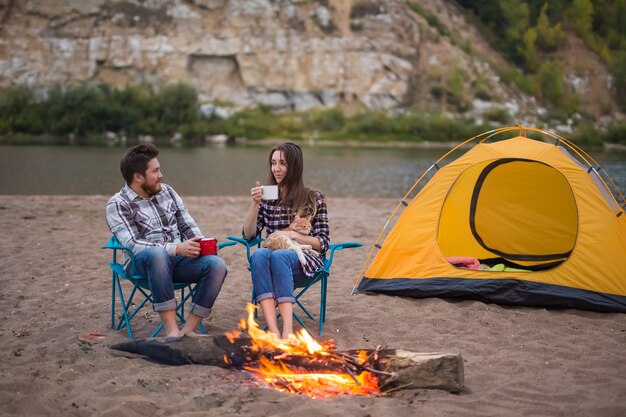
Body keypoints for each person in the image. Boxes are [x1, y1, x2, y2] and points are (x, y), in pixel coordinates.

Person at [106, 144, 227, 338]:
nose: (161, 175)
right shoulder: (117, 204)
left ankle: (187, 331)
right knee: (157, 254)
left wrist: (202, 244)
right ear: (138, 177)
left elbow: (187, 225)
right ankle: (172, 331)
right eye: (155, 171)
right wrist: (176, 248)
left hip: (177, 262)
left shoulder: (167, 192)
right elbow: (133, 245)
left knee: (217, 265)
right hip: (142, 264)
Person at [243, 142, 330, 339]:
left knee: (280, 255)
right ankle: (273, 330)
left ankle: (287, 331)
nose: (276, 169)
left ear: (295, 166)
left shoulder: (313, 197)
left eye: (283, 163)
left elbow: (323, 242)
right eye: (273, 163)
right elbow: (249, 235)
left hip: (306, 259)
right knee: (258, 254)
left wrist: (292, 235)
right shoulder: (267, 196)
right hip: (272, 257)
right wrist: (255, 204)